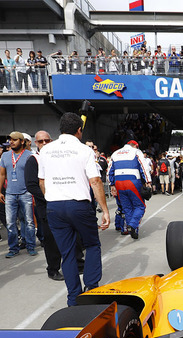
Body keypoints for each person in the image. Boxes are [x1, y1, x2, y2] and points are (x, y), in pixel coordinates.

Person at [40, 113, 110, 306]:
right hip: (79, 204)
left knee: (68, 253)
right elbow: (95, 181)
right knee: (92, 245)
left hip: (54, 205)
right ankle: (92, 288)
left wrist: (50, 199)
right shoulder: (84, 150)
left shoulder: (45, 150)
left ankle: (73, 297)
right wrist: (105, 210)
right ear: (79, 130)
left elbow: (41, 181)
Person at [25, 130, 63, 281]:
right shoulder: (33, 160)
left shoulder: (57, 158)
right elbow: (31, 186)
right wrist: (49, 196)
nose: (45, 144)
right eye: (41, 141)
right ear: (36, 143)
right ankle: (53, 269)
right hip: (46, 206)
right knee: (51, 239)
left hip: (62, 203)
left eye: (47, 140)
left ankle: (76, 264)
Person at [0, 131, 37, 258]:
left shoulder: (30, 155)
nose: (11, 142)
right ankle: (13, 248)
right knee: (10, 222)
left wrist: (34, 193)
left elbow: (34, 176)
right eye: (10, 140)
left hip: (26, 193)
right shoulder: (6, 156)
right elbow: (1, 174)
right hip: (10, 194)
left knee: (29, 221)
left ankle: (30, 246)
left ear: (22, 141)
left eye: (14, 140)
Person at [108, 139, 151, 239]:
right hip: (133, 181)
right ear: (135, 146)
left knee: (127, 208)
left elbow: (109, 170)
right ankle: (132, 225)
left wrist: (111, 184)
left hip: (119, 182)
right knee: (140, 206)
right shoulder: (136, 152)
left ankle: (131, 229)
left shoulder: (115, 153)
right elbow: (144, 167)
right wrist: (148, 181)